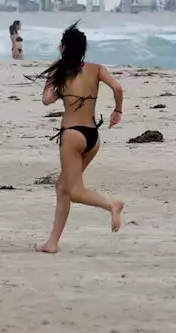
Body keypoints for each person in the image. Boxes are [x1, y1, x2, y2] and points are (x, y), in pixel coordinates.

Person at [34, 22, 124, 254]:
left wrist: (52, 76)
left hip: (72, 136)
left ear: (64, 48)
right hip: (93, 137)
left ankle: (111, 205)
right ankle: (52, 242)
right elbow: (118, 88)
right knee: (63, 187)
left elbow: (46, 100)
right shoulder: (96, 68)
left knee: (73, 191)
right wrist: (117, 111)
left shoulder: (61, 73)